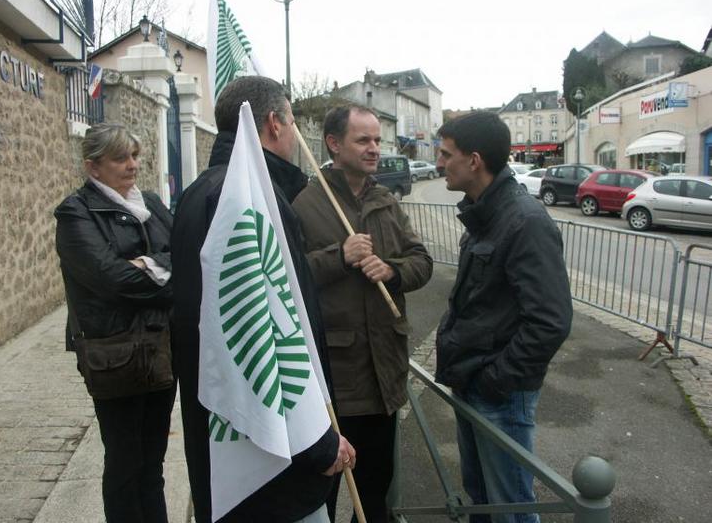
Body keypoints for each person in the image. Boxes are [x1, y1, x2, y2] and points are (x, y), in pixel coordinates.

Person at [171, 76, 354, 523]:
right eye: (291, 122)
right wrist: (321, 441)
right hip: (273, 464)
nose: (294, 135)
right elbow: (273, 329)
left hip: (227, 447)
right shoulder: (253, 202)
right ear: (273, 123)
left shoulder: (198, 192)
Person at [293, 104, 433, 523]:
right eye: (363, 140)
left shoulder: (384, 200)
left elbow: (422, 261)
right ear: (334, 144)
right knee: (326, 487)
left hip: (384, 372)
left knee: (374, 490)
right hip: (339, 378)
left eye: (377, 140)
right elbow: (289, 277)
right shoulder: (306, 203)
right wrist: (340, 255)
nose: (375, 149)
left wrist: (392, 270)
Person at [434, 111, 572, 523]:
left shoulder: (524, 221)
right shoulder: (483, 214)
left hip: (498, 393)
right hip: (472, 381)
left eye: (445, 154)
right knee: (483, 500)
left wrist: (496, 381)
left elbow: (550, 321)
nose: (439, 163)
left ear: (473, 161)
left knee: (510, 507)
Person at [54, 123, 176, 523]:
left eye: (135, 156)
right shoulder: (76, 213)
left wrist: (147, 264)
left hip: (161, 350)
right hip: (116, 354)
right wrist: (162, 272)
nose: (132, 165)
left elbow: (186, 257)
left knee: (153, 462)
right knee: (125, 462)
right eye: (121, 158)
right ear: (93, 167)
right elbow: (109, 279)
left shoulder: (152, 204)